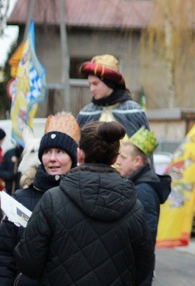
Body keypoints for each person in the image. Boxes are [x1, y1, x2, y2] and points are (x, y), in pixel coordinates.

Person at [14, 121, 153, 285]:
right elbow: (143, 268)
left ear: (79, 154)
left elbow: (29, 262)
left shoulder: (52, 200)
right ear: (116, 157)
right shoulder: (134, 207)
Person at [0, 112, 80, 284]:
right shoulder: (20, 199)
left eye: (60, 152)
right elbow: (4, 255)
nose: (52, 159)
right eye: (47, 152)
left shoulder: (82, 199)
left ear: (73, 158)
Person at [117, 127, 171, 286]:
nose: (118, 161)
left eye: (123, 157)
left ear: (137, 162)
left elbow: (144, 243)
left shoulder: (143, 191)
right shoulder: (137, 185)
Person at [77, 54, 150, 137]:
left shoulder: (134, 111)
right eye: (90, 84)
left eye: (95, 84)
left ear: (109, 83)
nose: (91, 89)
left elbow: (147, 146)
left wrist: (131, 149)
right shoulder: (86, 113)